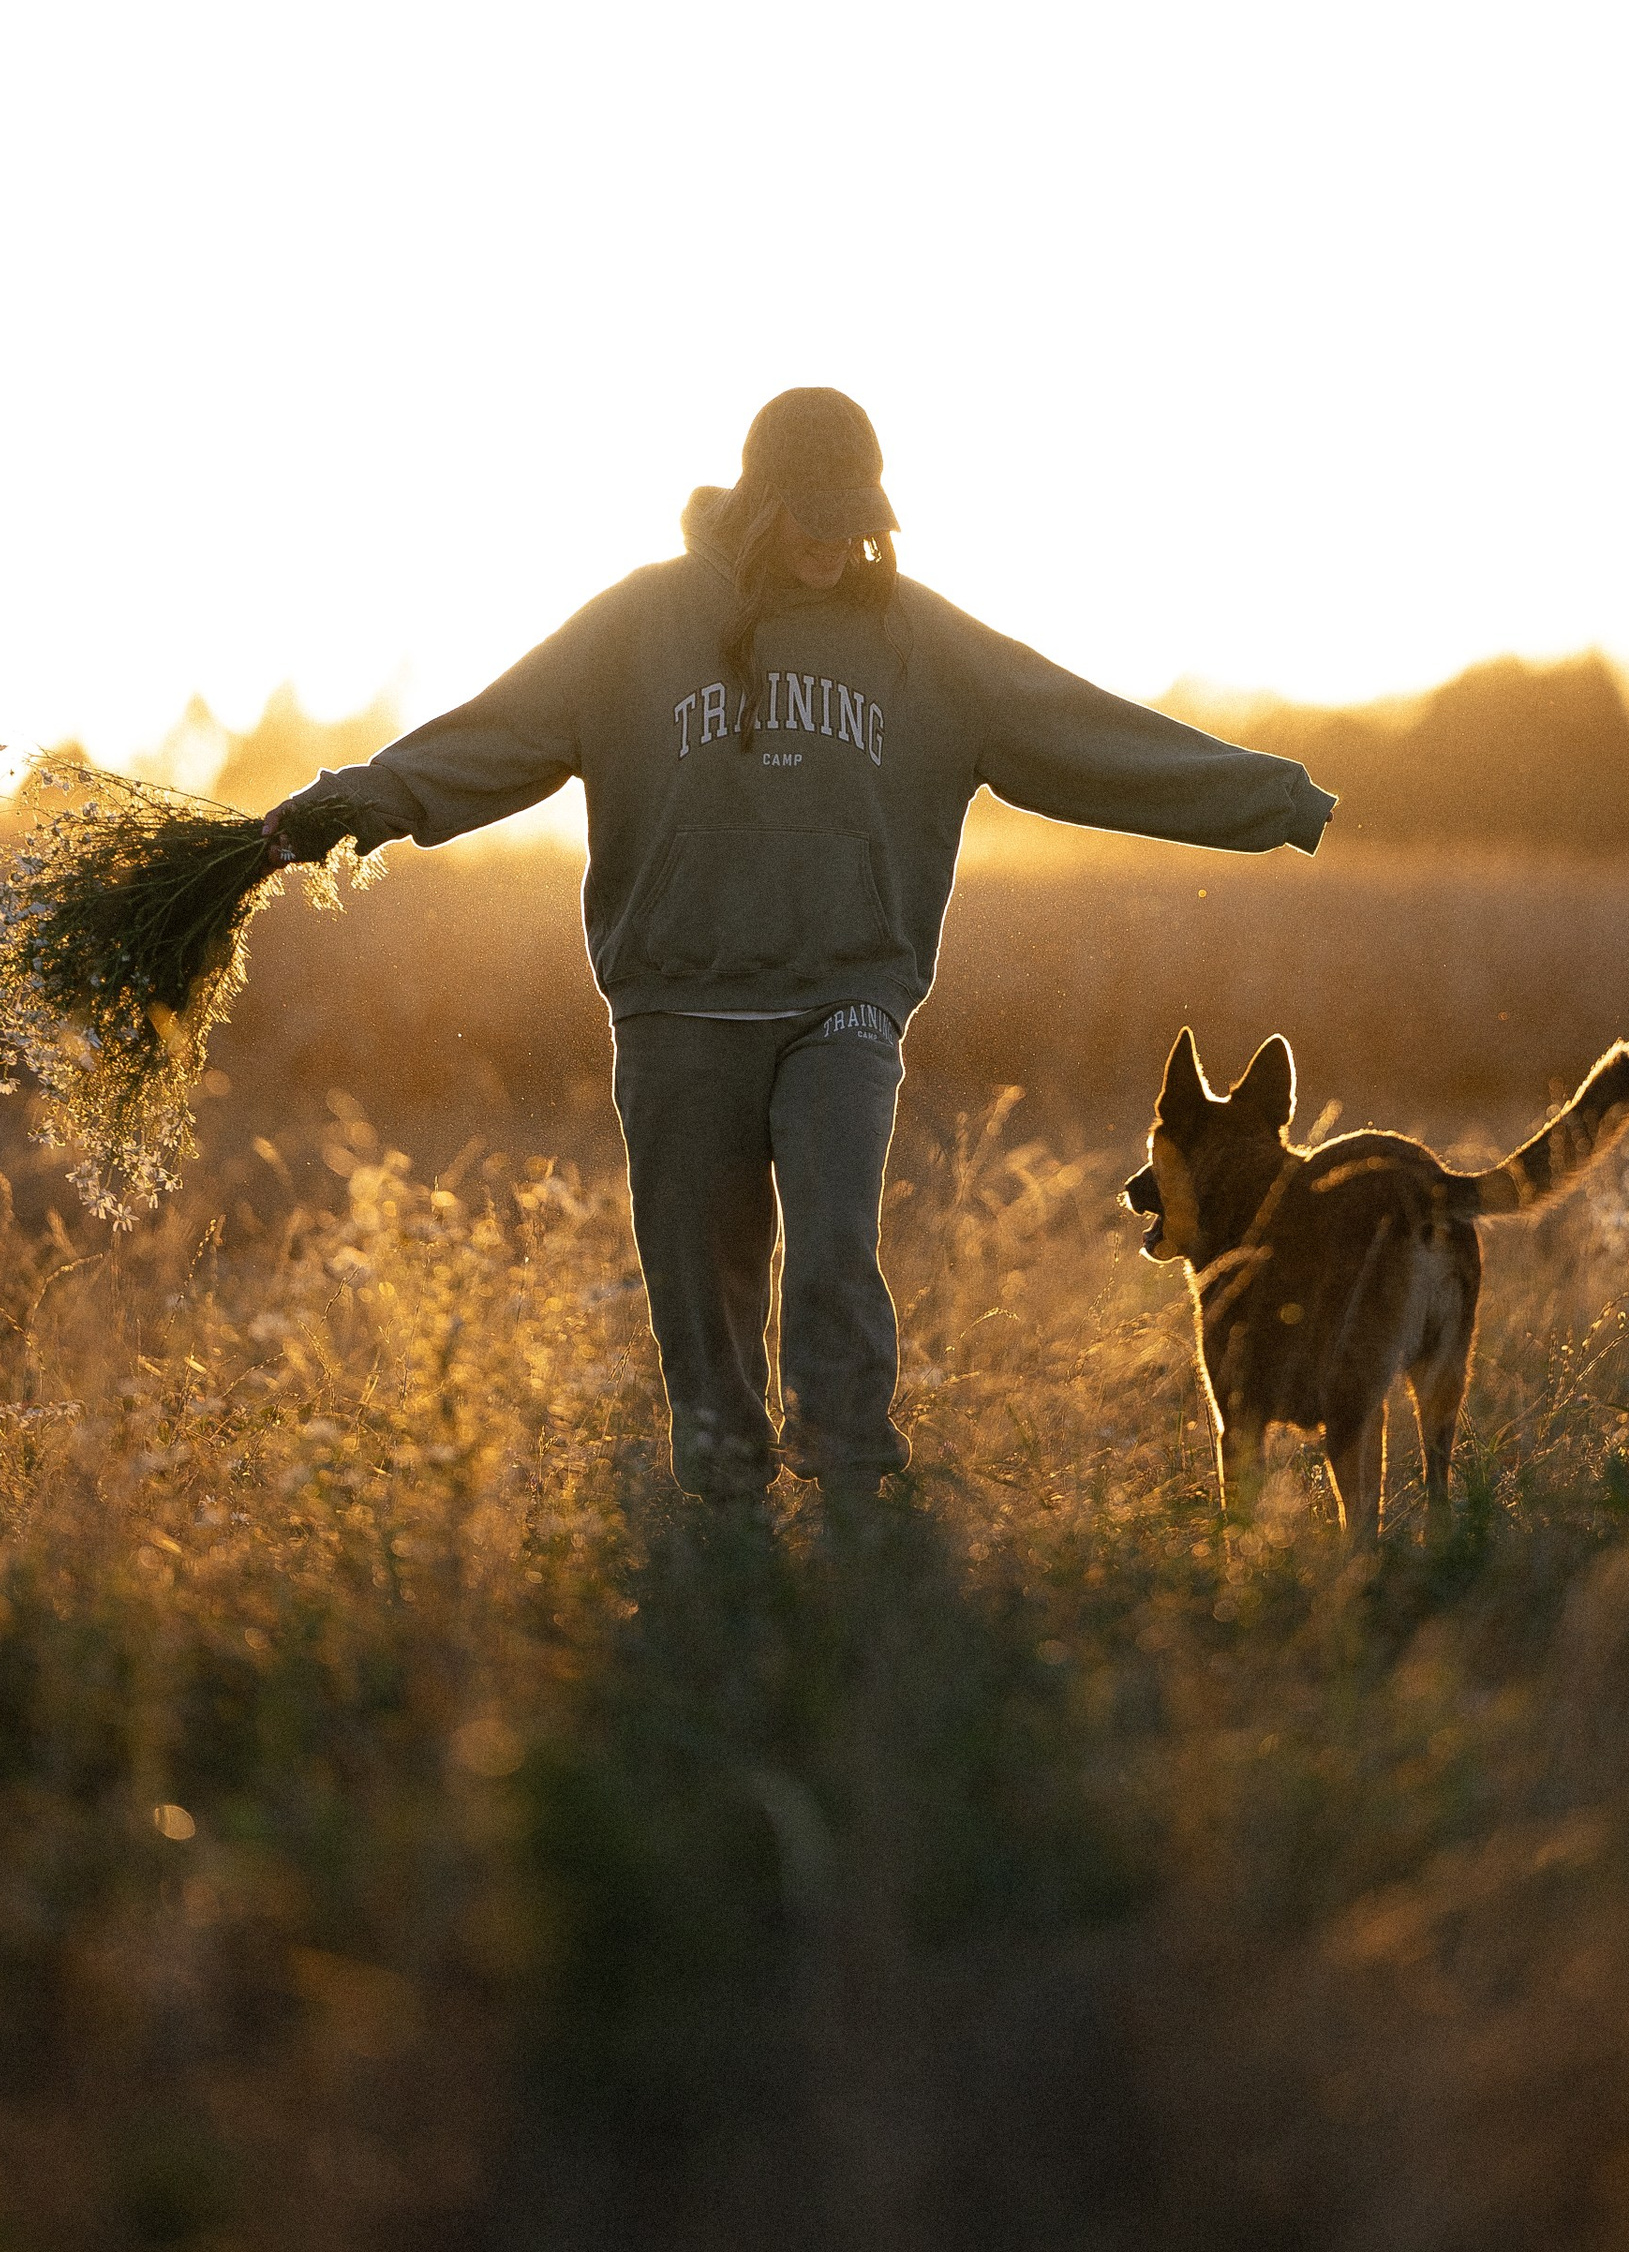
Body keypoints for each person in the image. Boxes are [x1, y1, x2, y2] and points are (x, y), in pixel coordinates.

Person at [266, 388, 1334, 1508]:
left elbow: (1085, 729)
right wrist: (346, 808)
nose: (835, 541)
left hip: (848, 997)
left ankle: (852, 1478)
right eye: (811, 515)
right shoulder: (639, 625)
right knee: (702, 1279)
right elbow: (489, 736)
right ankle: (725, 1496)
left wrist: (1271, 799)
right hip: (676, 1003)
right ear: (760, 500)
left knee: (832, 1237)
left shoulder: (921, 643)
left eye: (855, 517)